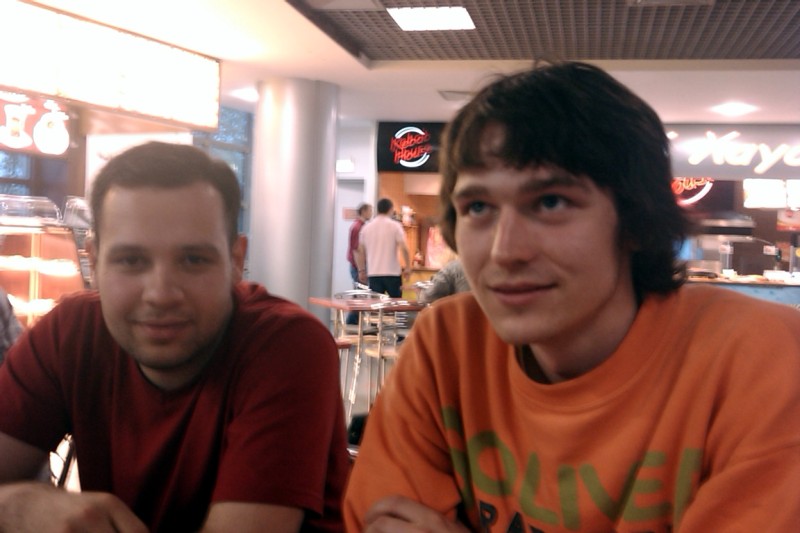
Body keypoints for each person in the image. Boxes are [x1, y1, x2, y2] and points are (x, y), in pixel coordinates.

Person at [344, 61, 800, 531]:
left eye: (551, 202)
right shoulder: (447, 345)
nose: (504, 251)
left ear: (635, 220)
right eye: (478, 207)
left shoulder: (764, 359)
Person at [0, 142, 349, 532]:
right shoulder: (71, 333)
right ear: (93, 261)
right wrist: (19, 506)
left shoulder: (287, 346)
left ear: (236, 261)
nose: (161, 294)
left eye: (193, 260)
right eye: (131, 260)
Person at [355, 198, 411, 297]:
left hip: (374, 273)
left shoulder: (366, 228)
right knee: (395, 304)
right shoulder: (395, 226)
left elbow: (360, 251)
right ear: (391, 209)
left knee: (376, 305)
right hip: (392, 273)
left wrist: (361, 270)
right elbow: (404, 248)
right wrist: (408, 267)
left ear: (377, 210)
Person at [346, 202, 372, 325]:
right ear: (364, 211)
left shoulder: (359, 226)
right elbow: (357, 250)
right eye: (370, 211)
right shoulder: (358, 227)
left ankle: (354, 323)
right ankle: (351, 323)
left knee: (359, 295)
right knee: (359, 296)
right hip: (357, 266)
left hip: (357, 266)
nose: (371, 213)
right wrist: (361, 270)